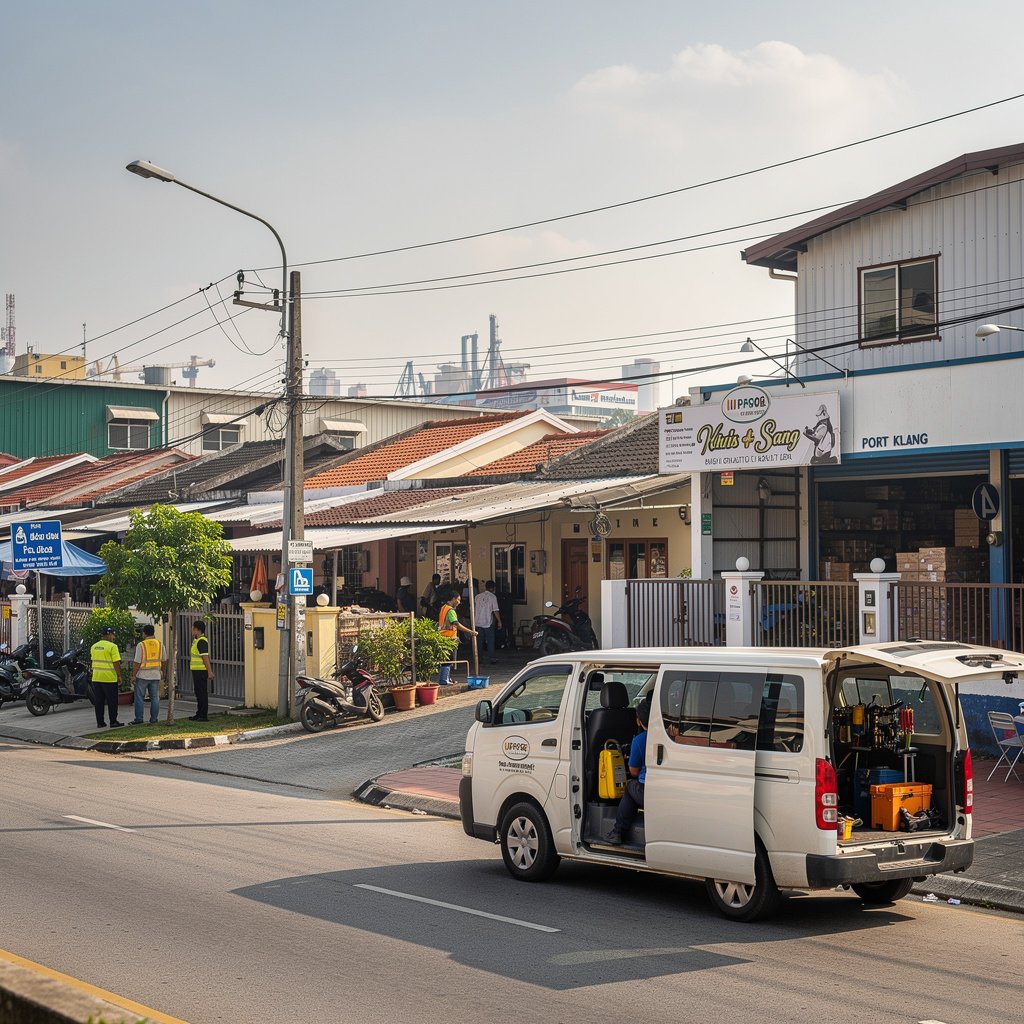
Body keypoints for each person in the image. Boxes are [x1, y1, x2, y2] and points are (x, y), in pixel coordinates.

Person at [603, 696, 651, 845]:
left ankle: (618, 831)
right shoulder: (671, 735)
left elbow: (634, 771)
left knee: (630, 786)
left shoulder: (640, 740)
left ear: (639, 721)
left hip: (649, 792)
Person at [437, 592, 476, 684]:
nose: (459, 602)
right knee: (448, 660)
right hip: (449, 638)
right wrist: (470, 631)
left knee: (446, 659)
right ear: (453, 599)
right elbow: (456, 623)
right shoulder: (450, 610)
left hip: (443, 636)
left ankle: (446, 678)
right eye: (458, 600)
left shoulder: (443, 608)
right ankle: (444, 679)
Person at [130, 623, 165, 725]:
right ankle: (154, 719)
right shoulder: (160, 644)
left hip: (142, 675)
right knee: (154, 698)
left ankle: (139, 719)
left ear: (144, 633)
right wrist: (163, 672)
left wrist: (133, 675)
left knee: (139, 697)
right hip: (155, 674)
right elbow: (164, 660)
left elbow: (137, 662)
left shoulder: (141, 645)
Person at [90, 626, 124, 729]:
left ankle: (100, 722)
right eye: (113, 634)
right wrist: (119, 675)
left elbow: (92, 661)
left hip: (96, 678)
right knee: (112, 701)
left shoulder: (94, 646)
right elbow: (116, 663)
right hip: (109, 678)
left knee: (99, 702)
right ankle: (113, 721)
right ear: (109, 634)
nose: (114, 637)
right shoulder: (112, 647)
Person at [189, 621, 214, 722]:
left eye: (193, 628)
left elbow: (205, 657)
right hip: (196, 671)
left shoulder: (201, 641)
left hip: (201, 671)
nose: (192, 630)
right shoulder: (196, 640)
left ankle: (203, 715)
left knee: (202, 693)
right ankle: (199, 713)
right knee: (198, 692)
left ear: (198, 630)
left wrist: (210, 671)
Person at [474, 579, 502, 665]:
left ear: (486, 587)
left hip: (477, 621)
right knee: (490, 640)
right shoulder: (493, 597)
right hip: (487, 622)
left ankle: (479, 658)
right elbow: (495, 610)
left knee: (479, 641)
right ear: (493, 588)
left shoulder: (477, 596)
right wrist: (499, 621)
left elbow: (474, 609)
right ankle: (492, 657)